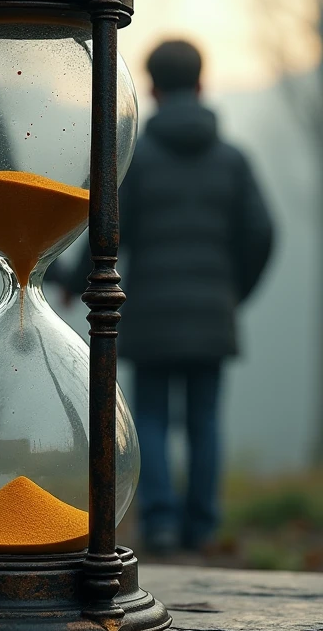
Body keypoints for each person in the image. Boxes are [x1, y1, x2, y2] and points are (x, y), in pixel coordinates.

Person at [57, 40, 274, 554]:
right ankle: (202, 526)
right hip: (211, 314)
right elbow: (262, 234)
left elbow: (106, 235)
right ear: (202, 85)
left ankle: (158, 522)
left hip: (150, 314)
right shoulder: (234, 161)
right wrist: (232, 292)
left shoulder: (136, 161)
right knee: (204, 419)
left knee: (149, 416)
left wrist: (67, 280)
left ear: (152, 90)